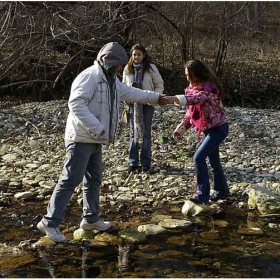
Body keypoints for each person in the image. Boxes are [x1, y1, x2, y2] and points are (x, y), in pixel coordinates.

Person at [37, 42, 167, 242]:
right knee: (70, 180)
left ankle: (90, 218)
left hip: (95, 139)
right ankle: (50, 222)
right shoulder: (89, 77)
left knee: (94, 179)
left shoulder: (111, 80)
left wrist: (158, 98)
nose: (120, 69)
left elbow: (133, 93)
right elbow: (76, 104)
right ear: (110, 62)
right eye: (118, 65)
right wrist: (97, 127)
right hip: (81, 138)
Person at [166, 60, 229, 204]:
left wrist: (174, 99)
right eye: (186, 75)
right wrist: (180, 129)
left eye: (190, 75)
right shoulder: (191, 88)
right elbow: (190, 112)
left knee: (198, 158)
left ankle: (202, 196)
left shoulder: (209, 88)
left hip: (219, 129)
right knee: (214, 162)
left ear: (197, 74)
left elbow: (197, 99)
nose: (187, 78)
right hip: (209, 130)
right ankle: (222, 191)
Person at [122, 44, 164, 173]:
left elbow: (159, 84)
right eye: (134, 54)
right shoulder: (127, 69)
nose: (136, 57)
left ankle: (146, 162)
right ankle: (132, 162)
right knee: (133, 133)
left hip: (147, 104)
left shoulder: (151, 68)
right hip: (132, 105)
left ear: (144, 55)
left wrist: (155, 97)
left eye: (139, 54)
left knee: (146, 134)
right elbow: (123, 86)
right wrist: (126, 99)